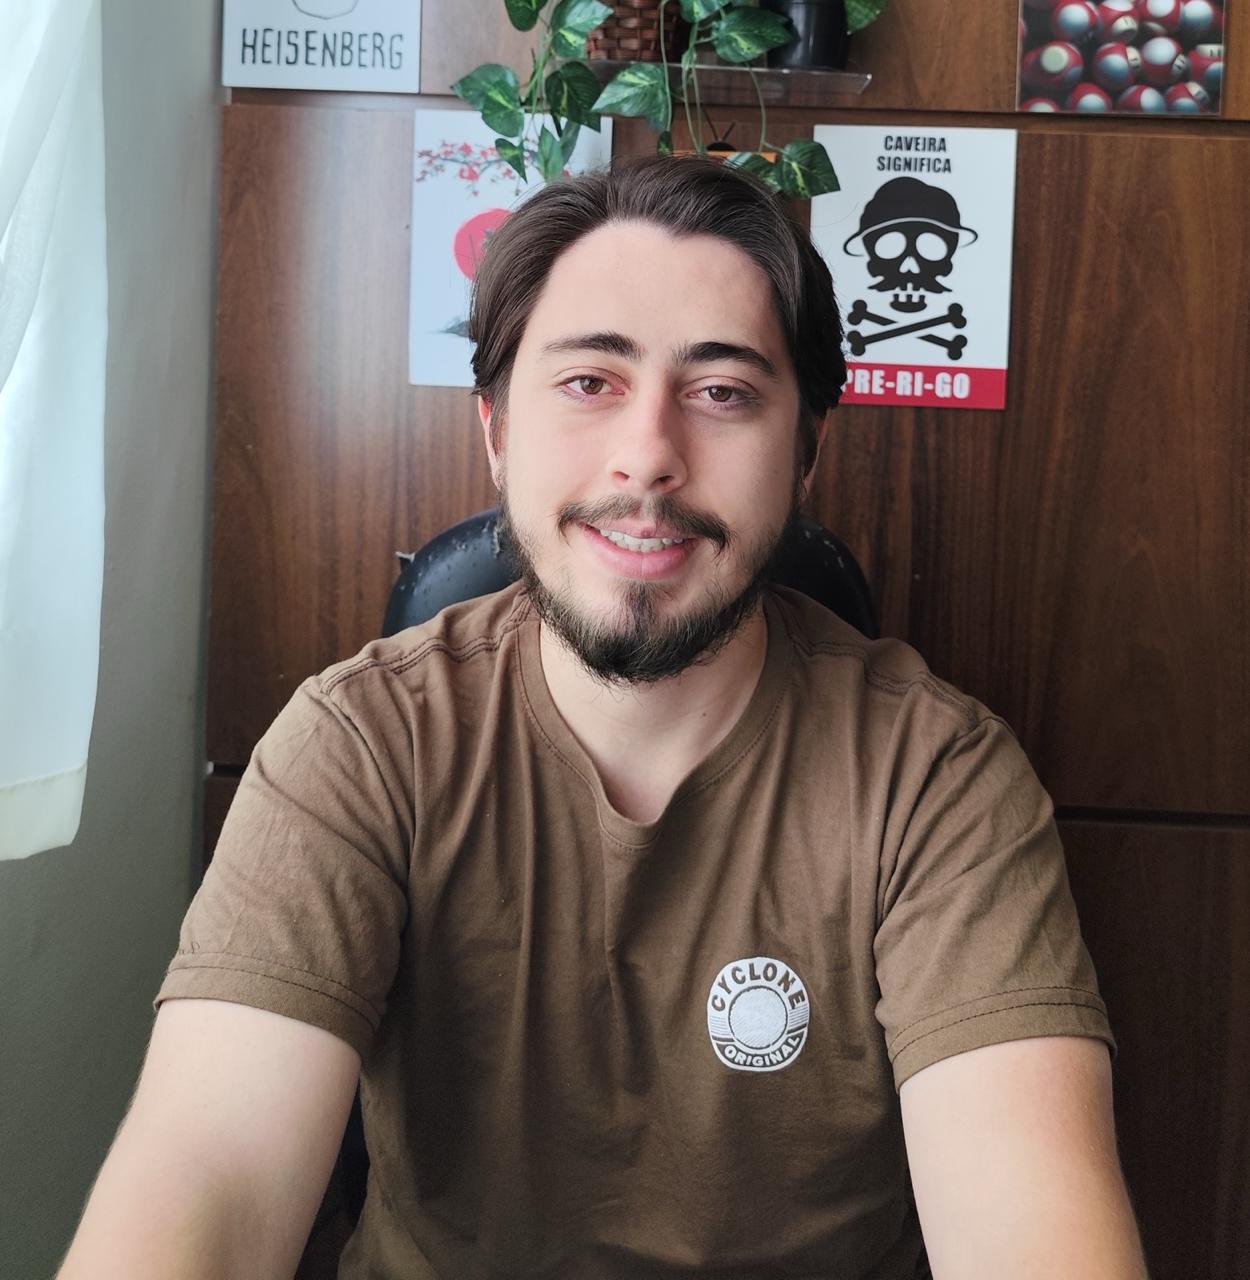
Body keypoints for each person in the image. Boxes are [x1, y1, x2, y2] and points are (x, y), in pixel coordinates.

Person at [58, 156, 1148, 1279]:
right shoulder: (361, 745)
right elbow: (214, 1169)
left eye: (721, 392)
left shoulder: (935, 776)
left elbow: (1026, 1207)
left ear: (807, 452)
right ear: (495, 429)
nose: (648, 457)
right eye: (588, 382)